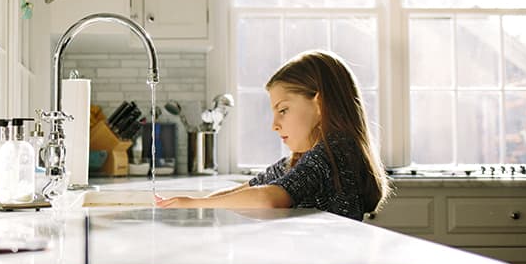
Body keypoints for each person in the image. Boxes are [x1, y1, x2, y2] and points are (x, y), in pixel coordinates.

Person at [156, 50, 389, 221]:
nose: (274, 125)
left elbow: (266, 199)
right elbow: (248, 189)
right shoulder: (309, 158)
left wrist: (197, 204)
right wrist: (199, 204)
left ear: (320, 104)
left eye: (283, 110)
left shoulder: (331, 155)